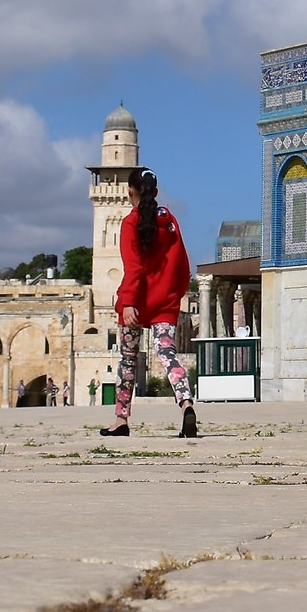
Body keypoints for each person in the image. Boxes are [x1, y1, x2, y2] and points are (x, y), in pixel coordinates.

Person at [106, 168, 196, 439]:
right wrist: (176, 294)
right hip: (165, 303)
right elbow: (181, 263)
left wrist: (130, 301)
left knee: (128, 361)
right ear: (155, 192)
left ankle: (121, 420)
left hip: (136, 303)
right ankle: (186, 405)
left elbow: (133, 267)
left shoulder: (130, 223)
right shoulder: (169, 221)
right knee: (168, 356)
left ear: (129, 191)